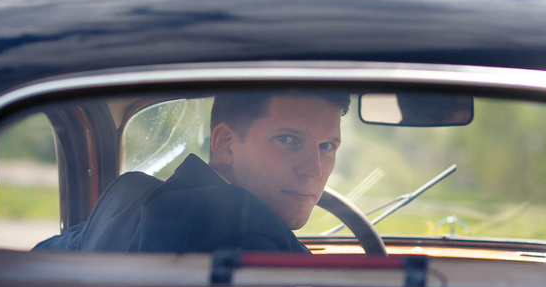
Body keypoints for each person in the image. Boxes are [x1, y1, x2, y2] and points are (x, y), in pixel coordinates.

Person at [33, 91, 349, 254]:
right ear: (225, 143)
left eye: (327, 147)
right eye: (287, 140)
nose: (314, 170)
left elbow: (44, 257)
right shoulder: (247, 234)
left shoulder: (127, 192)